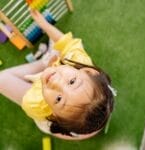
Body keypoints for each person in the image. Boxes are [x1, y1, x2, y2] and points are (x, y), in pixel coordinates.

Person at [0, 10, 116, 140]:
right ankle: (50, 61)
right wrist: (44, 25)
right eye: (72, 82)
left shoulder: (35, 103)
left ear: (54, 114)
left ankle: (44, 61)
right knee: (63, 44)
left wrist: (41, 78)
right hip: (81, 125)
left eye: (59, 99)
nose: (56, 82)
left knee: (2, 79)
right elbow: (67, 43)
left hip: (56, 120)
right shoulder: (80, 61)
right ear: (88, 71)